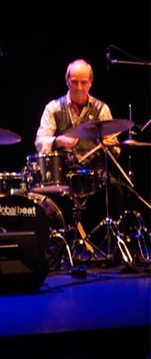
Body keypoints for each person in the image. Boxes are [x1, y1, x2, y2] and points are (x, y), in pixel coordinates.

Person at [34, 58, 127, 246]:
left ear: (90, 83)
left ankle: (113, 245)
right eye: (74, 81)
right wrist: (58, 141)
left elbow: (116, 149)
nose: (78, 86)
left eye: (83, 82)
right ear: (67, 80)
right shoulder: (53, 108)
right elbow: (39, 142)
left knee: (116, 190)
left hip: (94, 172)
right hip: (65, 172)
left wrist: (110, 145)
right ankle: (57, 245)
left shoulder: (102, 109)